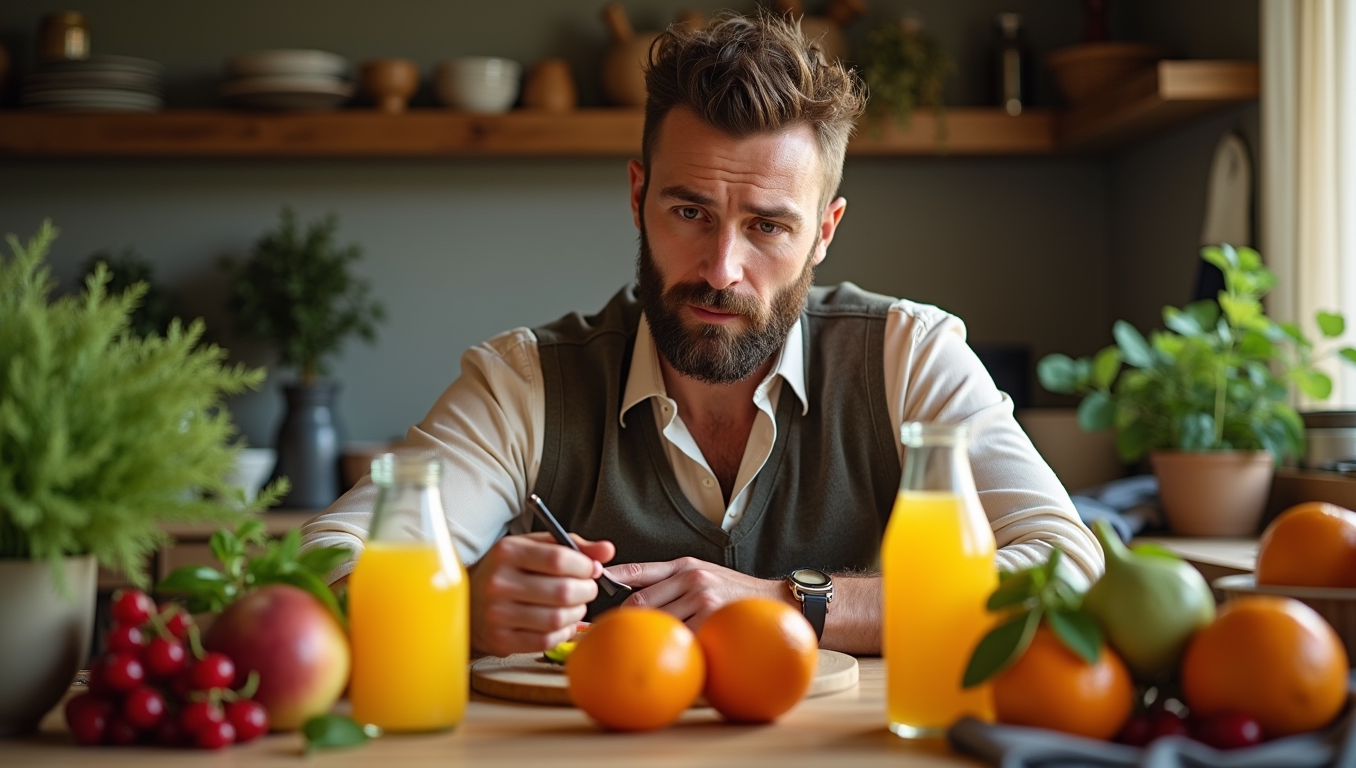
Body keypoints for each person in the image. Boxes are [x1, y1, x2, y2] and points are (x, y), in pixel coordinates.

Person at [301, 12, 1103, 658]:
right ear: (638, 195)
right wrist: (460, 604)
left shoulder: (908, 355)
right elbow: (320, 566)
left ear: (825, 233)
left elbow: (1066, 568)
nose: (722, 268)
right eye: (690, 212)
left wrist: (794, 603)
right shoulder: (524, 382)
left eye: (768, 227)